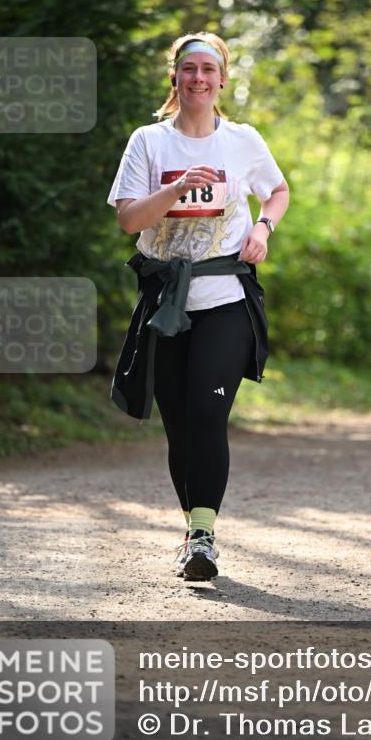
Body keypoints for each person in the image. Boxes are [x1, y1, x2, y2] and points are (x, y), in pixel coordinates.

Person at [107, 32, 289, 581]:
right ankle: (192, 528)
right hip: (166, 303)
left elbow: (277, 191)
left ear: (222, 80)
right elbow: (130, 220)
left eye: (209, 69)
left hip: (225, 298)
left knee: (209, 413)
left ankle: (205, 536)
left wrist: (263, 227)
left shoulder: (242, 140)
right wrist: (178, 188)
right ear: (175, 78)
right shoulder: (148, 142)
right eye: (189, 69)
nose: (199, 79)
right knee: (180, 424)